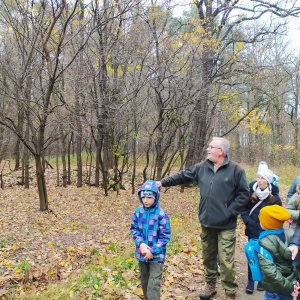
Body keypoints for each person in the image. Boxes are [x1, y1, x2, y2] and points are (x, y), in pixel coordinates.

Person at [156, 137, 249, 300]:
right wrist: (162, 183)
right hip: (207, 222)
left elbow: (244, 194)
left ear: (221, 151)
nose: (207, 149)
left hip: (226, 225)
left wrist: (230, 211)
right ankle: (210, 285)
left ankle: (230, 293)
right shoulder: (201, 167)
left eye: (211, 147)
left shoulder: (236, 170)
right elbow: (182, 176)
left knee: (226, 260)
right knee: (208, 256)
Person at [241, 167, 282, 294]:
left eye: (262, 178)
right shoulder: (251, 193)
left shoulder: (274, 198)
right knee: (251, 254)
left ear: (268, 181)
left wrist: (269, 226)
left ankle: (261, 281)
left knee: (264, 256)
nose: (259, 180)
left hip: (267, 233)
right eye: (258, 177)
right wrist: (249, 222)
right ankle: (251, 281)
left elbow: (279, 215)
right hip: (253, 229)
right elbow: (243, 209)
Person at [130, 180, 171, 300]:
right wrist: (140, 244)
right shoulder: (138, 213)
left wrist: (153, 251)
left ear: (156, 197)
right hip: (141, 254)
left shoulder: (161, 215)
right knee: (145, 281)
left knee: (153, 284)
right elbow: (134, 230)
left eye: (149, 197)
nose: (146, 200)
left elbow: (165, 236)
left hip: (156, 257)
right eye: (143, 197)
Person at [257, 205, 299, 300]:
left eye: (261, 219)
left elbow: (270, 272)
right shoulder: (287, 236)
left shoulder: (265, 242)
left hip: (275, 288)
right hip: (288, 282)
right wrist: (292, 283)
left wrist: (289, 288)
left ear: (268, 224)